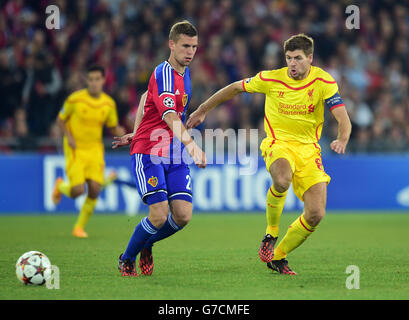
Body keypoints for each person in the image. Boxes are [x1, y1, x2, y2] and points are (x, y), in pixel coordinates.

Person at [187, 34, 352, 275]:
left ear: (310, 58)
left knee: (316, 213)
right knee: (282, 179)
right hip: (278, 143)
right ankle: (271, 231)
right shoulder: (271, 79)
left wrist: (342, 139)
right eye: (288, 58)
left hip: (309, 150)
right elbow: (234, 88)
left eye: (297, 58)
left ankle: (278, 256)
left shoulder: (324, 82)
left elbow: (343, 118)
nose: (292, 63)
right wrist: (202, 110)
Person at [112, 21, 206, 277]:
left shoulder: (184, 72)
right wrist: (192, 145)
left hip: (173, 152)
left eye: (195, 47)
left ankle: (147, 242)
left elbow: (145, 97)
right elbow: (169, 116)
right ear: (171, 44)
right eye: (185, 46)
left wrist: (136, 128)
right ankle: (127, 258)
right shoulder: (163, 72)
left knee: (183, 216)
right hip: (150, 152)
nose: (190, 52)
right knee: (159, 216)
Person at [52, 65, 125, 238]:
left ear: (103, 80)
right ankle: (60, 185)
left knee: (94, 189)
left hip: (95, 150)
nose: (93, 83)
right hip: (76, 149)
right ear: (87, 80)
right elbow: (60, 120)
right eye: (90, 79)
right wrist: (68, 136)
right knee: (78, 191)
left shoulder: (108, 104)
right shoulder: (75, 100)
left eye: (97, 79)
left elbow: (113, 127)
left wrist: (122, 133)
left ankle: (78, 227)